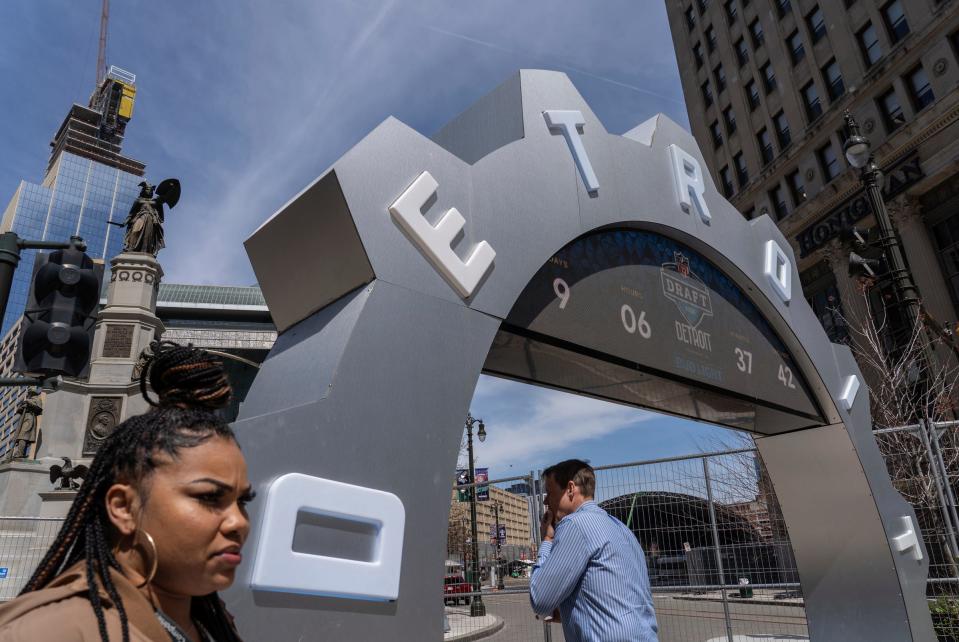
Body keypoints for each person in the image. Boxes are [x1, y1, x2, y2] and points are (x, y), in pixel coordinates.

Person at [0, 341, 253, 642]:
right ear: (123, 507)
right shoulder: (50, 632)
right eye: (209, 497)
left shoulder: (213, 620)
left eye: (242, 501)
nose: (239, 522)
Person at [530, 459, 658, 642]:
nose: (545, 501)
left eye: (550, 493)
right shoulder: (622, 529)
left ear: (570, 488)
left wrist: (547, 539)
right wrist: (570, 612)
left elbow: (540, 599)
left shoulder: (574, 524)